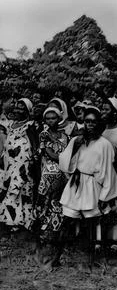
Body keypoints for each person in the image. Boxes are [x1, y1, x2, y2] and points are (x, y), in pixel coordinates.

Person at [58, 107, 117, 270]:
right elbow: (65, 163)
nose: (90, 125)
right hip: (76, 183)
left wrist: (104, 196)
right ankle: (56, 257)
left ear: (99, 123)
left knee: (91, 225)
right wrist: (75, 147)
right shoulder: (77, 140)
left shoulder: (104, 144)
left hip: (93, 185)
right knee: (67, 221)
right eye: (87, 121)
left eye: (93, 121)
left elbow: (108, 171)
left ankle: (90, 260)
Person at [33, 107, 69, 267]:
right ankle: (41, 248)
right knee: (44, 208)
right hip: (48, 175)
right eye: (47, 118)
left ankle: (55, 253)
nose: (50, 121)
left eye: (53, 118)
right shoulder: (43, 134)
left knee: (57, 209)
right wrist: (63, 158)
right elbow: (48, 153)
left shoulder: (65, 136)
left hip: (62, 177)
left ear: (59, 118)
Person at [0, 98, 39, 230]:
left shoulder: (30, 125)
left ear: (27, 110)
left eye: (21, 108)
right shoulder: (11, 124)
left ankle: (21, 221)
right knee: (8, 187)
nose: (17, 110)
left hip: (22, 163)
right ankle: (11, 219)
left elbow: (34, 144)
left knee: (18, 188)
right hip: (9, 162)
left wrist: (33, 159)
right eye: (16, 107)